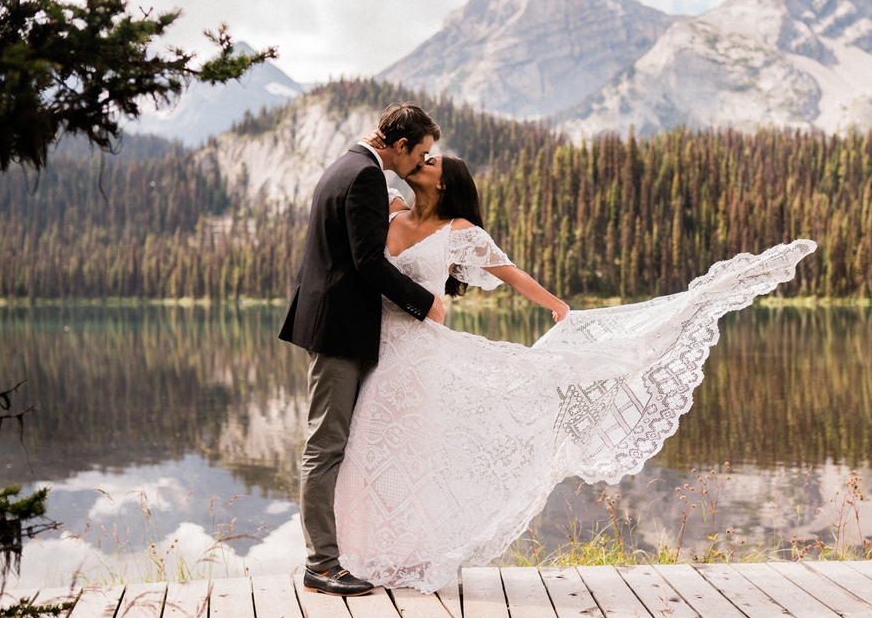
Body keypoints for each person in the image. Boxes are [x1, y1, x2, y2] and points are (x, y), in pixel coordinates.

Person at [333, 147, 816, 593]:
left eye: (432, 161)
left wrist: (557, 307)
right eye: (423, 155)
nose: (423, 160)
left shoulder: (460, 231)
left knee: (413, 453)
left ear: (444, 183)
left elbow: (511, 272)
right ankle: (364, 553)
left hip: (422, 357)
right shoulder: (391, 208)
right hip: (378, 350)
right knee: (369, 446)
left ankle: (414, 555)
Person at [279, 103, 447, 597]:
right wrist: (426, 303)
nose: (420, 164)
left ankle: (338, 554)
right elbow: (368, 263)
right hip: (339, 330)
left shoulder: (347, 165)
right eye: (420, 154)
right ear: (399, 146)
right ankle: (321, 565)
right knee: (325, 445)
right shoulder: (366, 177)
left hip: (336, 324)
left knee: (331, 443)